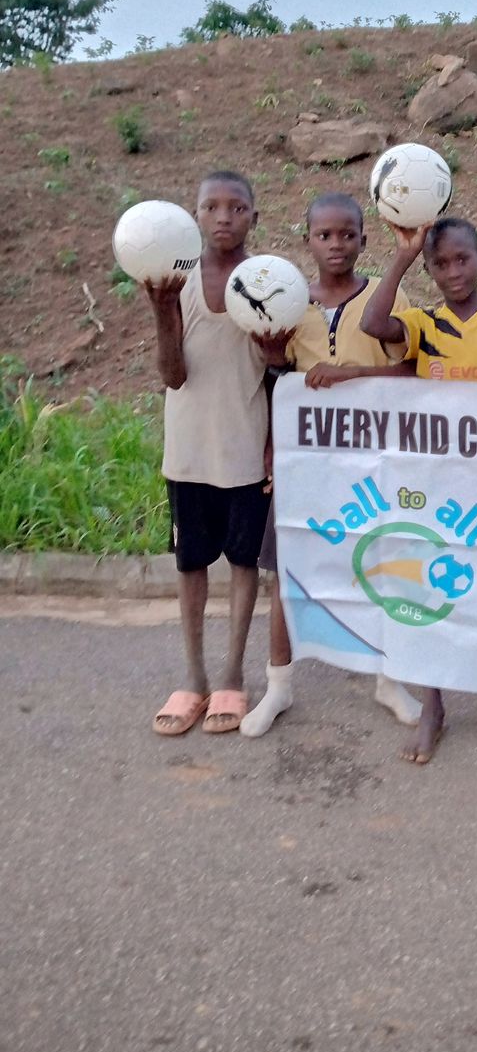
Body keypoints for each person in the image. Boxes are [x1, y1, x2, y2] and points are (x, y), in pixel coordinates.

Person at [361, 215, 477, 764]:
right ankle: (434, 706)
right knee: (430, 590)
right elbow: (374, 324)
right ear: (430, 271)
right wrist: (403, 254)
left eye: (462, 259)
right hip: (434, 484)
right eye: (439, 264)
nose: (453, 271)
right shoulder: (423, 324)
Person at [240, 192, 423, 738]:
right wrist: (275, 361)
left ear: (364, 239)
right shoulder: (289, 302)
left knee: (385, 568)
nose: (336, 244)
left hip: (377, 460)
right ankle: (278, 685)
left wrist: (351, 375)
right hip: (308, 462)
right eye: (324, 235)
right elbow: (280, 383)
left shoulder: (388, 296)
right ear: (308, 241)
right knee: (288, 571)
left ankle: (389, 677)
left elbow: (413, 371)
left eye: (347, 234)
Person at [146, 170, 271, 735]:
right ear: (194, 215)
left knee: (244, 563)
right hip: (190, 451)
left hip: (244, 449)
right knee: (190, 563)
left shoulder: (268, 281)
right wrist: (161, 311)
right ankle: (193, 677)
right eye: (211, 206)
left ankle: (231, 674)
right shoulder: (177, 282)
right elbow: (173, 375)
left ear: (253, 217)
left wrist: (273, 445)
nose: (224, 216)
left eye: (236, 207)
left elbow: (278, 372)